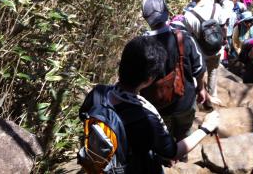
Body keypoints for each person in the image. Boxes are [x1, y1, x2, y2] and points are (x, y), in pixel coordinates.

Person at [80, 36, 219, 174]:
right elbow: (173, 152)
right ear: (149, 79)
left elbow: (84, 116)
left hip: (103, 164)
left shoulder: (98, 93)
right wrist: (205, 128)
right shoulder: (145, 118)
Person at [139, 0, 206, 145]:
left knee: (163, 141)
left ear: (145, 17)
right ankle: (183, 160)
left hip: (156, 106)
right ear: (167, 12)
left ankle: (167, 163)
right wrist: (201, 89)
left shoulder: (140, 45)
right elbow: (199, 68)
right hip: (185, 101)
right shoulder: (184, 38)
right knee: (184, 137)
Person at [183, 0, 228, 106]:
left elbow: (190, 36)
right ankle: (213, 95)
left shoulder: (188, 15)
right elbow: (224, 26)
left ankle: (202, 95)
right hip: (217, 48)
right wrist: (223, 40)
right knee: (213, 70)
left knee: (201, 71)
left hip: (201, 51)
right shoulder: (217, 7)